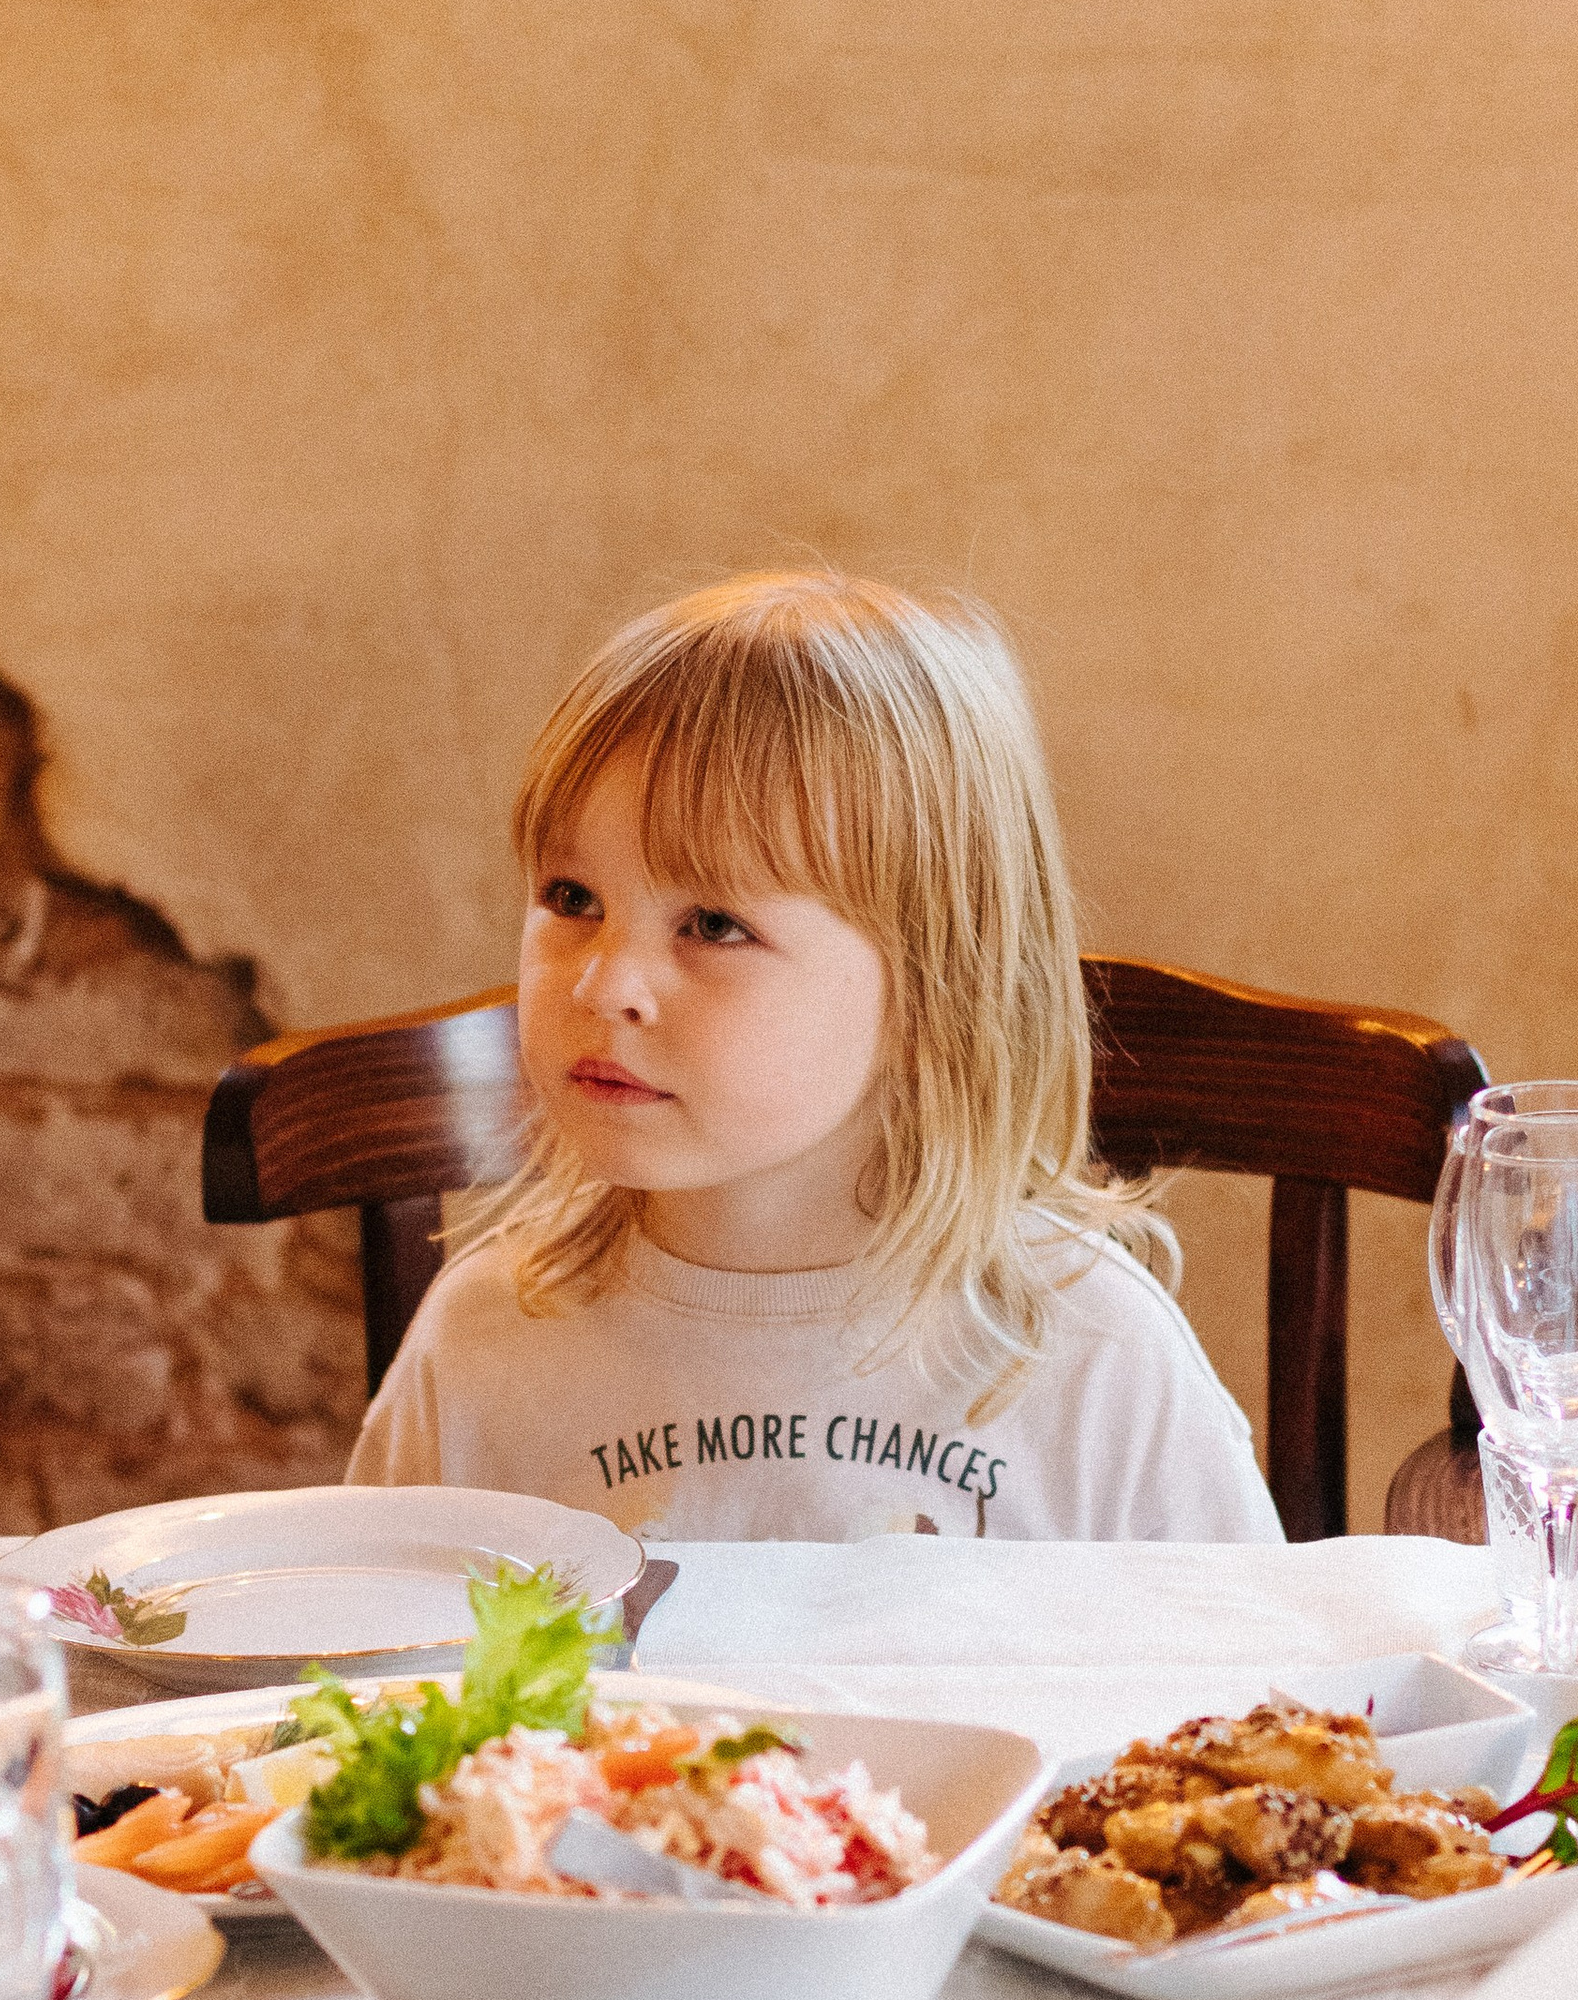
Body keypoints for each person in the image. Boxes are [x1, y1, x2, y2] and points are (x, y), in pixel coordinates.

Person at [348, 570, 1281, 1543]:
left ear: (933, 991)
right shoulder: (481, 1344)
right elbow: (373, 1636)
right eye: (572, 899)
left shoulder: (1093, 1357)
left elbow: (1244, 1646)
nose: (604, 983)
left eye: (713, 923)